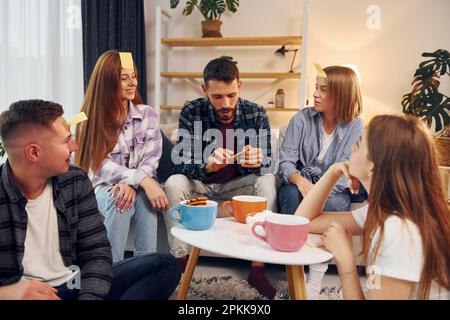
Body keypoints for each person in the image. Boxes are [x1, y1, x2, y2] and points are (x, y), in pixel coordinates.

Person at [0, 100, 181, 300]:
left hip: (75, 286)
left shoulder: (75, 180)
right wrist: (8, 293)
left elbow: (97, 254)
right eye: (66, 140)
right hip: (25, 296)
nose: (75, 146)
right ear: (34, 152)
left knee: (165, 266)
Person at [295, 114, 450, 299]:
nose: (352, 147)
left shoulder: (398, 231)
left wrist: (345, 258)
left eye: (359, 144)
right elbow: (303, 222)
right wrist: (332, 173)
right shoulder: (384, 212)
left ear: (374, 168)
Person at [164, 56, 278, 299]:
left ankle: (258, 268)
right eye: (217, 97)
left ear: (240, 85)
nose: (226, 103)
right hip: (201, 189)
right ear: (204, 90)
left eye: (231, 95)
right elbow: (181, 163)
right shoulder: (191, 111)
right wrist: (207, 166)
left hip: (236, 190)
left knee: (267, 181)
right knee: (174, 183)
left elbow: (268, 160)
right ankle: (180, 264)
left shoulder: (256, 114)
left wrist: (258, 161)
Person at [277, 65, 364, 299]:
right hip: (298, 183)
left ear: (341, 94)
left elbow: (347, 171)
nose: (315, 94)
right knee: (290, 196)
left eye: (323, 89)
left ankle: (314, 279)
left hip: (334, 188)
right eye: (316, 88)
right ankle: (297, 274)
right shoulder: (301, 119)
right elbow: (286, 162)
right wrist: (299, 180)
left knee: (335, 204)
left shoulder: (356, 125)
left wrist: (320, 191)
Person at [75, 50, 169, 262]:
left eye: (133, 76)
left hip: (135, 187)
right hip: (100, 189)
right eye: (123, 78)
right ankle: (111, 271)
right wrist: (141, 180)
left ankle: (146, 269)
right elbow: (100, 166)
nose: (132, 83)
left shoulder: (147, 114)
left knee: (144, 198)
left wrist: (135, 183)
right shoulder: (86, 118)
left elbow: (151, 160)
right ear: (108, 82)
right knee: (120, 199)